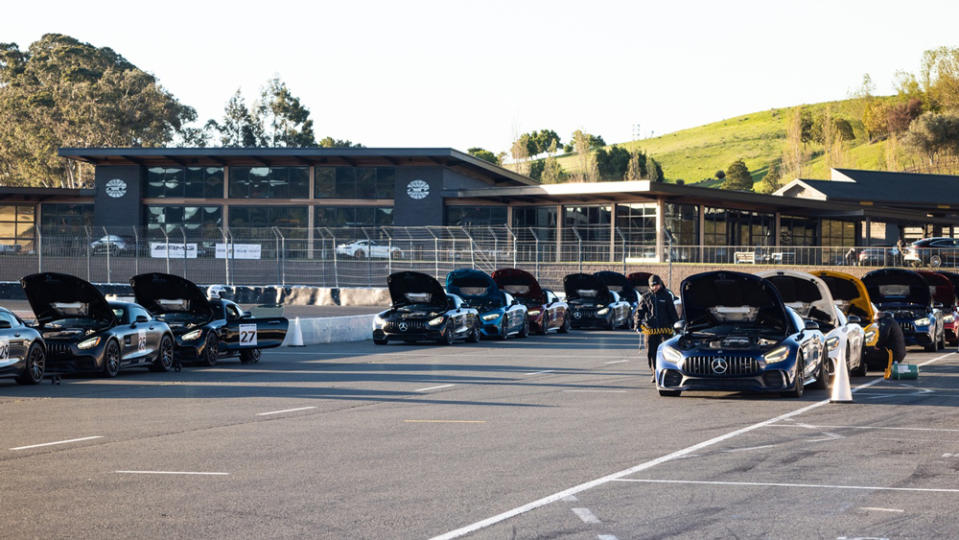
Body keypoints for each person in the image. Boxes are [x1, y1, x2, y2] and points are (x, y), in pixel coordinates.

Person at [634, 274, 679, 383]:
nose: (655, 287)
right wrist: (637, 324)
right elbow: (639, 312)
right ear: (650, 286)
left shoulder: (666, 296)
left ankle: (668, 373)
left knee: (667, 351)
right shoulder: (645, 297)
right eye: (653, 285)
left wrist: (677, 326)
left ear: (660, 284)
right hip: (650, 329)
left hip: (665, 329)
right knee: (651, 352)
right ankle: (654, 373)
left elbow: (672, 312)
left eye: (657, 285)